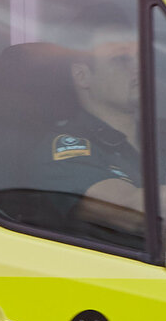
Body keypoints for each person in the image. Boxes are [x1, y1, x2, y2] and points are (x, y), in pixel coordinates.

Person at [24, 27, 145, 246]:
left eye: (142, 57)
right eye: (121, 59)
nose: (140, 67)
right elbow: (133, 212)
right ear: (82, 76)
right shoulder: (64, 149)